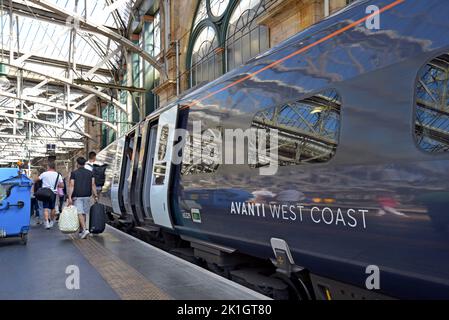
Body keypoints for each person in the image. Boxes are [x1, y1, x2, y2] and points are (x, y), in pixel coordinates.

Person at [67, 157, 98, 239]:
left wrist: (69, 196)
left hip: (77, 196)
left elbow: (72, 185)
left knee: (79, 212)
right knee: (83, 213)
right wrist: (95, 195)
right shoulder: (90, 173)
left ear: (77, 163)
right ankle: (82, 231)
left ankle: (84, 229)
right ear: (84, 164)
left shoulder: (74, 173)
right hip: (87, 196)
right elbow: (93, 184)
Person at [38, 162, 64, 229]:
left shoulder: (44, 174)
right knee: (52, 208)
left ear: (48, 167)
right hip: (53, 193)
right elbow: (62, 185)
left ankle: (46, 222)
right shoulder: (58, 175)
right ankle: (52, 221)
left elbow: (37, 179)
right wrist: (56, 185)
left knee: (45, 208)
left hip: (45, 193)